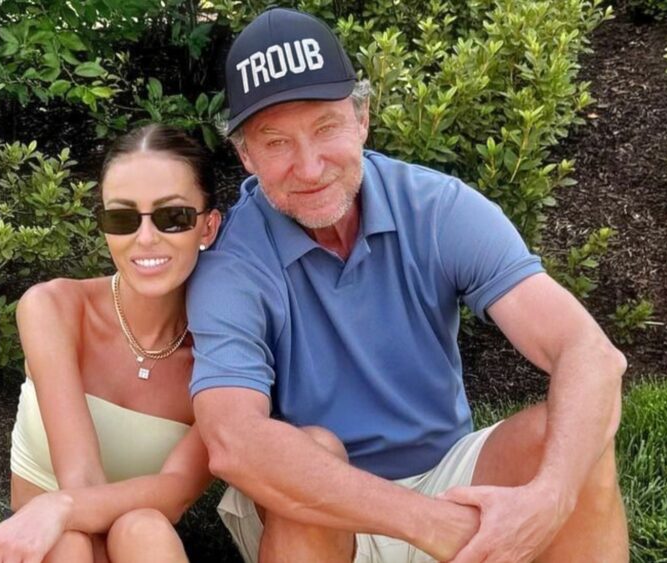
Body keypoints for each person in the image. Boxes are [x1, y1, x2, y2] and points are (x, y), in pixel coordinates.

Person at [187, 8, 629, 563]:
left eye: (326, 128)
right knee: (310, 454)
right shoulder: (231, 262)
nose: (309, 166)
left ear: (362, 117)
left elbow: (588, 353)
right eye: (276, 143)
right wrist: (429, 525)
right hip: (320, 507)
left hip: (447, 470)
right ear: (245, 153)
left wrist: (550, 499)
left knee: (560, 446)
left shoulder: (438, 208)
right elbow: (234, 440)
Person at [0, 124, 221, 563]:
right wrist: (58, 508)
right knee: (72, 543)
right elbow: (79, 476)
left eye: (172, 216)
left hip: (137, 539)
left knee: (143, 527)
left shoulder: (222, 352)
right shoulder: (54, 307)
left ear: (208, 227)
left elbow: (177, 492)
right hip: (49, 547)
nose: (145, 238)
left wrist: (59, 507)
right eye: (122, 217)